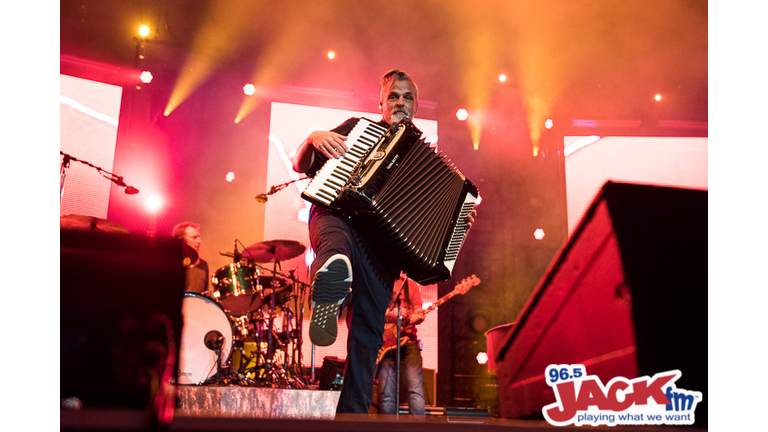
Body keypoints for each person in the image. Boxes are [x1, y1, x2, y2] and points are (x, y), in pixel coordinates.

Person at [292, 70, 474, 414]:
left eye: (406, 97)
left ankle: (352, 418)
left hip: (381, 251)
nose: (400, 102)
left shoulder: (430, 168)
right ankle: (331, 287)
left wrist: (459, 224)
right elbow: (303, 164)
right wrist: (313, 138)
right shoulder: (358, 128)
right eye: (393, 96)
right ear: (381, 104)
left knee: (369, 335)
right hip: (339, 216)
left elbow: (434, 240)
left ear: (416, 106)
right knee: (335, 248)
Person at [376, 274, 426, 416]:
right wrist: (393, 313)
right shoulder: (381, 280)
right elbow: (373, 309)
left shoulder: (412, 285)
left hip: (409, 340)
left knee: (415, 390)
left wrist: (418, 316)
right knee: (386, 394)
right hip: (386, 343)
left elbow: (418, 310)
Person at [172, 221, 211, 296]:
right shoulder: (170, 264)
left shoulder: (203, 264)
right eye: (194, 237)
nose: (199, 241)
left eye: (199, 237)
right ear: (181, 240)